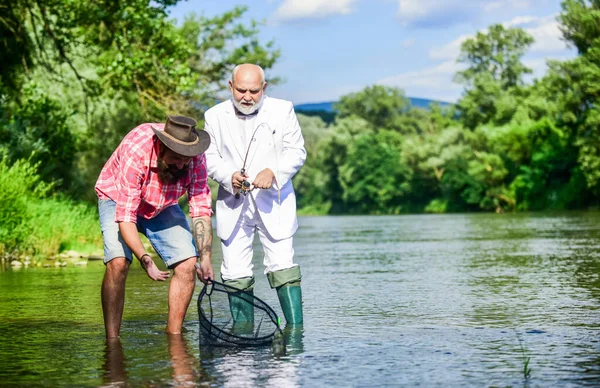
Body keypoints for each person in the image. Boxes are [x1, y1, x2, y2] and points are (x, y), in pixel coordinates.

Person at [203, 63, 306, 325]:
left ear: (264, 88)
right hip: (233, 202)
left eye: (253, 91)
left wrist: (274, 171)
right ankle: (242, 342)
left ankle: (295, 336)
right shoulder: (213, 116)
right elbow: (210, 158)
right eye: (240, 90)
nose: (247, 96)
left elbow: (297, 152)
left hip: (275, 202)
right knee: (235, 271)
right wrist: (229, 177)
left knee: (283, 266)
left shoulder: (283, 110)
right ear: (230, 87)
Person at [95, 115, 214, 338]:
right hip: (116, 197)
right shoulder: (137, 150)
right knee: (119, 262)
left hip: (162, 203)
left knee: (189, 262)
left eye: (185, 160)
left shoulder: (194, 156)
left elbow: (200, 209)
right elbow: (126, 217)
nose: (181, 165)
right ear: (161, 147)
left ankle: (174, 337)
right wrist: (145, 259)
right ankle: (112, 341)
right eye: (176, 158)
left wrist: (205, 258)